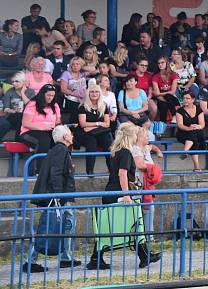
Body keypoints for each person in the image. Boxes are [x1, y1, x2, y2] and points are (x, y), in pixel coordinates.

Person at [89, 122, 161, 270]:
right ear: (130, 136)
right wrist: (126, 194)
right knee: (134, 224)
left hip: (112, 192)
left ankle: (143, 256)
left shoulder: (118, 151)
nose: (137, 136)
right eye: (135, 134)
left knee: (113, 226)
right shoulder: (126, 152)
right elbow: (122, 174)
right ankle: (143, 256)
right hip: (119, 194)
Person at [24, 125, 79, 273]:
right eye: (69, 134)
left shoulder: (61, 150)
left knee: (67, 223)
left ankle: (65, 257)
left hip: (58, 195)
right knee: (48, 227)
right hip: (57, 196)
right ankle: (31, 260)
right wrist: (58, 196)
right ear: (64, 137)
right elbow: (56, 173)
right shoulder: (60, 150)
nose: (72, 136)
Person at [20, 85, 60, 169]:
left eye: (52, 95)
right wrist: (42, 127)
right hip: (28, 132)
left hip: (49, 131)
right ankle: (39, 171)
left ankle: (64, 169)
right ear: (43, 94)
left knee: (64, 140)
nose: (50, 98)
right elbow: (25, 123)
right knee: (44, 140)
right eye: (48, 95)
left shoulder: (55, 105)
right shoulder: (32, 104)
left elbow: (58, 122)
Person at [77, 84, 113, 175]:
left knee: (108, 142)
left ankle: (112, 169)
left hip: (99, 132)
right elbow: (83, 124)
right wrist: (98, 124)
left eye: (96, 91)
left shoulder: (104, 106)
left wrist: (92, 126)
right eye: (92, 92)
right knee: (91, 143)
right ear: (88, 94)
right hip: (85, 134)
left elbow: (107, 124)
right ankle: (90, 172)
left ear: (100, 93)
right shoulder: (83, 106)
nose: (94, 94)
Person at [175, 91, 205, 171]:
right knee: (193, 136)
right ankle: (197, 167)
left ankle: (185, 151)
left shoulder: (198, 109)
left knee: (195, 134)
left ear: (193, 100)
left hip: (196, 132)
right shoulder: (180, 111)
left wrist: (197, 126)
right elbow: (180, 125)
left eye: (187, 98)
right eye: (184, 98)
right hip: (183, 132)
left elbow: (202, 124)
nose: (185, 100)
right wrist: (189, 128)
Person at [150, 56, 181, 121]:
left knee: (168, 96)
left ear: (167, 63)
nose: (160, 65)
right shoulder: (155, 76)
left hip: (172, 98)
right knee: (163, 104)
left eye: (162, 63)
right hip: (160, 99)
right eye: (158, 63)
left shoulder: (173, 75)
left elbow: (172, 92)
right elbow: (157, 95)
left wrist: (162, 94)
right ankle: (162, 124)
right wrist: (165, 97)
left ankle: (174, 116)